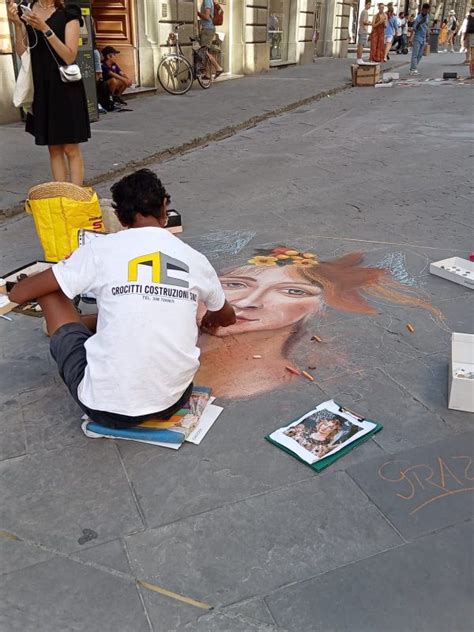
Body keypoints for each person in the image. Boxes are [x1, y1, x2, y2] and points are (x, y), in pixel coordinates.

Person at [8, 169, 236, 429]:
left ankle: (74, 325)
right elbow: (227, 316)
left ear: (118, 216)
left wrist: (36, 280)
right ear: (165, 208)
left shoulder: (100, 249)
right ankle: (85, 322)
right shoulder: (195, 259)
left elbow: (20, 294)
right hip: (172, 400)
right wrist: (208, 318)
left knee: (49, 288)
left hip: (104, 408)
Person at [196, 247, 443, 400]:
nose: (250, 301)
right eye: (235, 285)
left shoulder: (262, 378)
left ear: (321, 307)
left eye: (293, 291)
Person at [7, 0, 90, 186]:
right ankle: (62, 196)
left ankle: (75, 198)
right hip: (42, 87)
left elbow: (69, 55)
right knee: (53, 148)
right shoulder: (27, 9)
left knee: (70, 147)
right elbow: (22, 52)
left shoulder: (69, 12)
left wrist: (45, 28)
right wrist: (18, 26)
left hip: (65, 86)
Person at [197, 0, 223, 77]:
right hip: (208, 28)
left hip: (207, 29)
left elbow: (206, 16)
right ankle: (207, 74)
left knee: (204, 52)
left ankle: (218, 68)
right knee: (206, 51)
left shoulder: (207, 1)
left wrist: (197, 13)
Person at [410, 3, 430, 75]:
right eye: (425, 11)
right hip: (418, 37)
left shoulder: (428, 16)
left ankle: (414, 67)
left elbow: (427, 26)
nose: (426, 12)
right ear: (422, 10)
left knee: (420, 54)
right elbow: (414, 28)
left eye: (427, 11)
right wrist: (411, 38)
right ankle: (413, 69)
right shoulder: (418, 18)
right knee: (415, 54)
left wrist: (427, 35)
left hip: (423, 37)